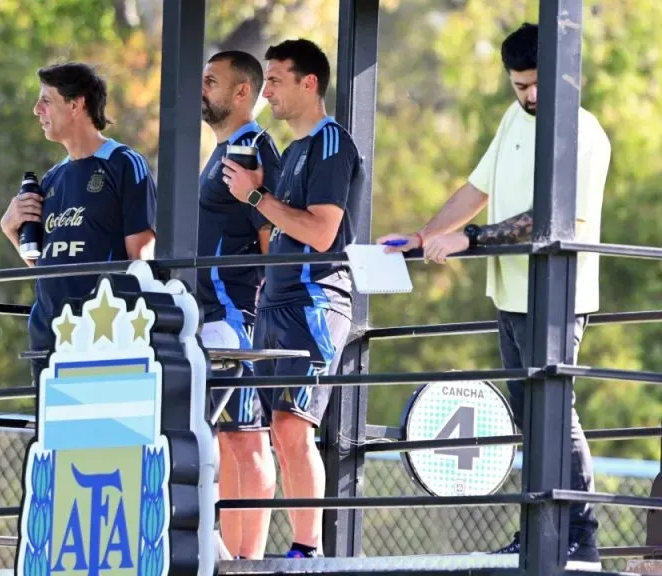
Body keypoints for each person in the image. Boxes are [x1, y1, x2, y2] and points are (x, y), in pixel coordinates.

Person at [377, 22, 609, 570]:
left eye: (535, 85)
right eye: (518, 85)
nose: (527, 95)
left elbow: (549, 218)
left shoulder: (583, 132)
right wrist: (424, 235)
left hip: (558, 293)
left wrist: (471, 239)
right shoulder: (513, 118)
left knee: (555, 413)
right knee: (532, 418)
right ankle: (539, 530)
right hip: (510, 294)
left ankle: (581, 534)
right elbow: (475, 190)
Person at [223, 39, 364, 558]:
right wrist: (261, 192)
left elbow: (322, 233)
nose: (269, 91)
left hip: (313, 300)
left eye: (277, 79)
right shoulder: (294, 149)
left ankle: (307, 549)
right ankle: (250, 553)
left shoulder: (331, 143)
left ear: (309, 83)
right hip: (275, 302)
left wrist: (255, 196)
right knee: (269, 432)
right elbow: (281, 222)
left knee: (292, 427)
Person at [0, 62, 157, 379]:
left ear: (76, 104)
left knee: (101, 427)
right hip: (49, 329)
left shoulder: (124, 163)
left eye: (46, 100)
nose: (36, 110)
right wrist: (10, 229)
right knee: (50, 428)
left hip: (101, 329)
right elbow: (47, 262)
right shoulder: (53, 177)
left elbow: (140, 259)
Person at [198, 49, 282, 560]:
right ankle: (225, 555)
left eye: (211, 81)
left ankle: (248, 562)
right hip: (206, 316)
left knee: (247, 437)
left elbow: (273, 236)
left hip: (239, 315)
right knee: (225, 437)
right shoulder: (219, 149)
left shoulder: (252, 146)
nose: (202, 89)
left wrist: (265, 313)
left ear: (242, 92)